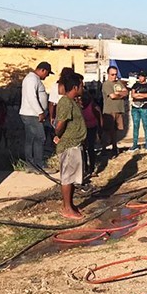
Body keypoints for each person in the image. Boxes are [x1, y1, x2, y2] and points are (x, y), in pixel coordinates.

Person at [53, 72, 87, 219]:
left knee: (72, 177)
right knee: (67, 177)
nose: (83, 88)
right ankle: (67, 208)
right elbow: (61, 123)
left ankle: (70, 205)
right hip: (69, 145)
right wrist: (57, 135)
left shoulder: (73, 102)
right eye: (81, 86)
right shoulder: (65, 102)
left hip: (75, 144)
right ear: (75, 87)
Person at [19, 61, 52, 171]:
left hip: (31, 113)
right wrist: (40, 112)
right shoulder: (32, 79)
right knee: (40, 138)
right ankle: (38, 165)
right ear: (43, 70)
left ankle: (31, 165)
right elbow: (31, 97)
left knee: (31, 139)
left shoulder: (33, 79)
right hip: (32, 114)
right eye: (46, 74)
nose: (46, 76)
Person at [101, 66, 128, 156]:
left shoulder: (119, 82)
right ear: (108, 74)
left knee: (115, 130)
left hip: (118, 109)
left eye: (116, 74)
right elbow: (112, 96)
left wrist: (118, 94)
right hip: (110, 110)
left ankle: (114, 147)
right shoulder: (106, 84)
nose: (114, 76)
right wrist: (121, 95)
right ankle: (104, 148)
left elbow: (126, 92)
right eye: (112, 74)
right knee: (108, 130)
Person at [129, 70, 147, 150]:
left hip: (145, 107)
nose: (140, 78)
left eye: (142, 76)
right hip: (135, 107)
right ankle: (135, 144)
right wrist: (143, 95)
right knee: (136, 126)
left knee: (146, 125)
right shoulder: (135, 85)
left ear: (145, 77)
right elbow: (133, 95)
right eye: (139, 76)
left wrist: (138, 94)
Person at [81, 89, 101, 175]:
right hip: (82, 129)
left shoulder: (93, 106)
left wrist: (100, 130)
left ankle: (91, 168)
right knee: (83, 148)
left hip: (92, 128)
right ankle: (85, 167)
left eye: (85, 99)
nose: (83, 101)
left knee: (91, 148)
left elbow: (99, 118)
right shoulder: (78, 106)